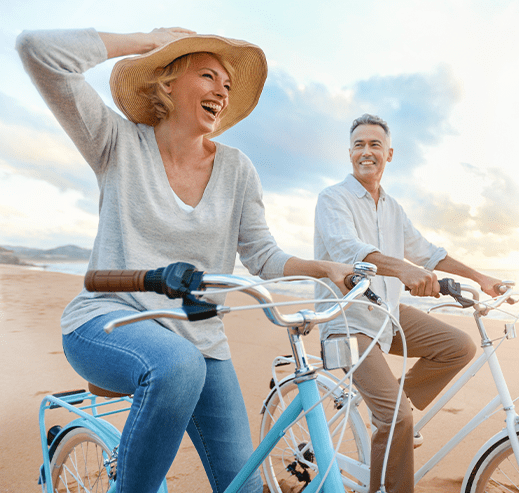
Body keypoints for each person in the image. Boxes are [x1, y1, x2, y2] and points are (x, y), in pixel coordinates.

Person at [16, 27, 354, 493]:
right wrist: (142, 41)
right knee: (176, 366)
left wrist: (324, 268)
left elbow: (260, 254)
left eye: (228, 85)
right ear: (167, 84)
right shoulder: (117, 142)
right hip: (106, 319)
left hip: (200, 339)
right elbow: (38, 51)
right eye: (208, 75)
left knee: (245, 485)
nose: (221, 90)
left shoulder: (237, 169)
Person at [314, 113, 503, 493]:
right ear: (350, 152)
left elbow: (428, 254)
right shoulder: (332, 198)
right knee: (397, 419)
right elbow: (346, 250)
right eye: (359, 145)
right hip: (347, 319)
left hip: (386, 313)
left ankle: (390, 407)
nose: (366, 152)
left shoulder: (393, 207)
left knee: (457, 347)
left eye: (375, 145)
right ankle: (390, 438)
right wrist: (402, 270)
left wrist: (481, 278)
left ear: (390, 154)